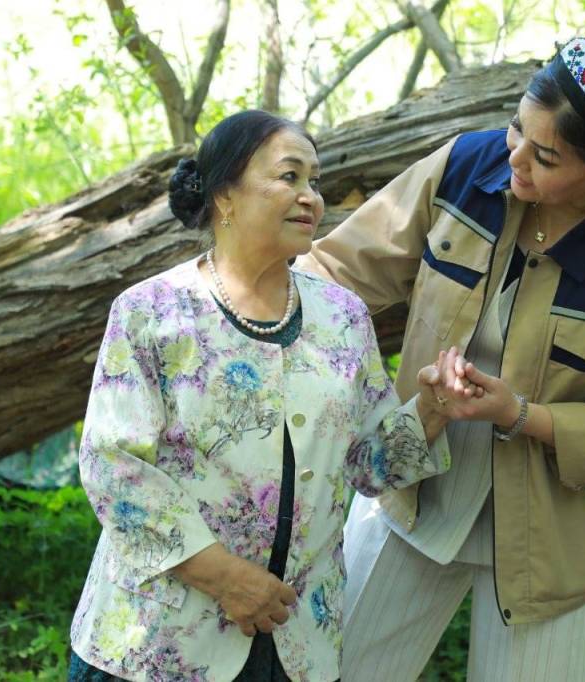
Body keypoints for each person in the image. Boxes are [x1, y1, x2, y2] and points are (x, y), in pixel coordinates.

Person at [295, 36, 585, 681]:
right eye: (517, 129)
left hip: (552, 538)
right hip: (414, 491)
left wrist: (521, 415)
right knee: (329, 670)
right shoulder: (465, 167)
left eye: (544, 157)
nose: (515, 158)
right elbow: (337, 271)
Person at [67, 109, 455, 682]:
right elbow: (113, 467)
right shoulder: (152, 311)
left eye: (315, 182)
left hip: (295, 644)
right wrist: (225, 577)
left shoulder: (342, 317)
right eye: (289, 176)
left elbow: (368, 467)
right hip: (159, 643)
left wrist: (433, 409)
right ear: (225, 196)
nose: (311, 197)